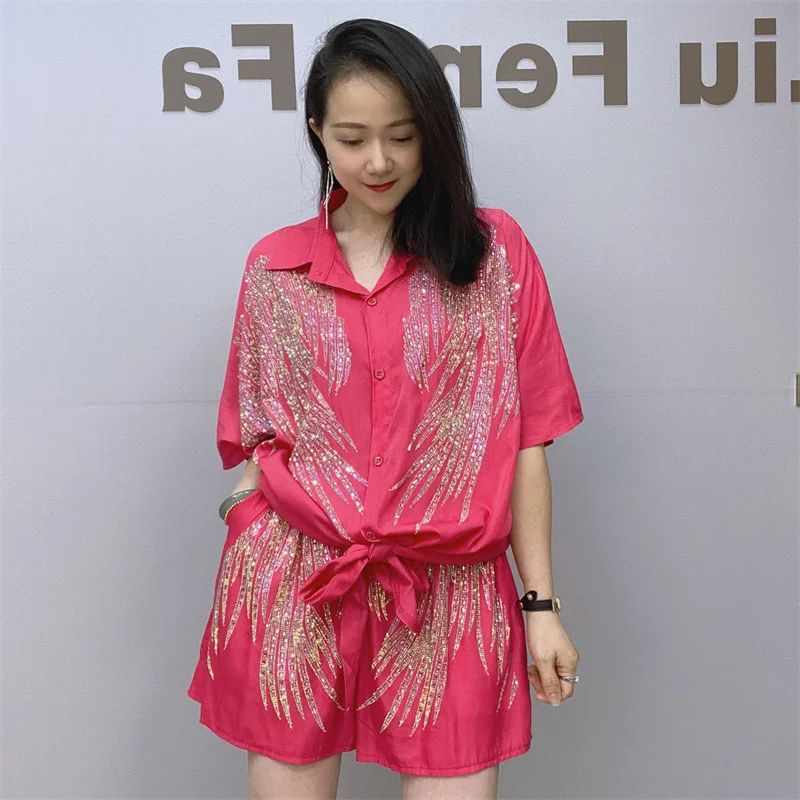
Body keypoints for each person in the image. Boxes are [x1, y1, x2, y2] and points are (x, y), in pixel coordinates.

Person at [188, 17, 584, 800]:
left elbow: (527, 439)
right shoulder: (275, 267)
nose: (379, 161)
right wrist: (248, 505)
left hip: (450, 588)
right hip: (299, 582)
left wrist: (539, 603)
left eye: (402, 136)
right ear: (317, 132)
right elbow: (257, 427)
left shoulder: (494, 255)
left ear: (433, 131)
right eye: (352, 138)